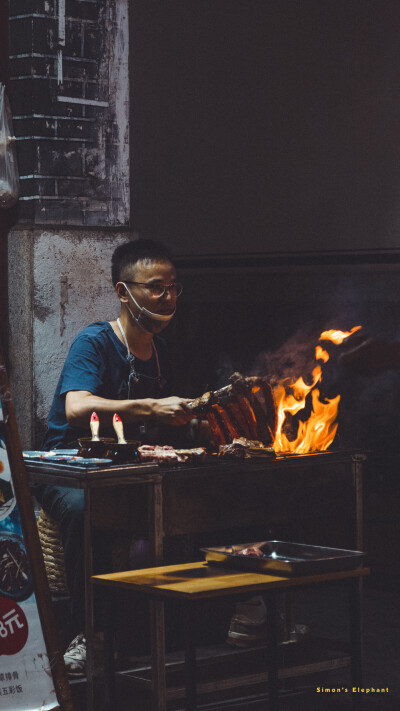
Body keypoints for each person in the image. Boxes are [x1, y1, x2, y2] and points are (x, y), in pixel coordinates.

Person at [33, 239, 193, 677]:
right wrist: (150, 408)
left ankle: (230, 616)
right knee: (89, 512)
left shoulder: (163, 352)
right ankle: (90, 634)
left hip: (128, 464)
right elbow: (77, 407)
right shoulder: (95, 341)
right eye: (156, 288)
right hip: (69, 463)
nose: (168, 297)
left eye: (174, 287)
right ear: (124, 292)